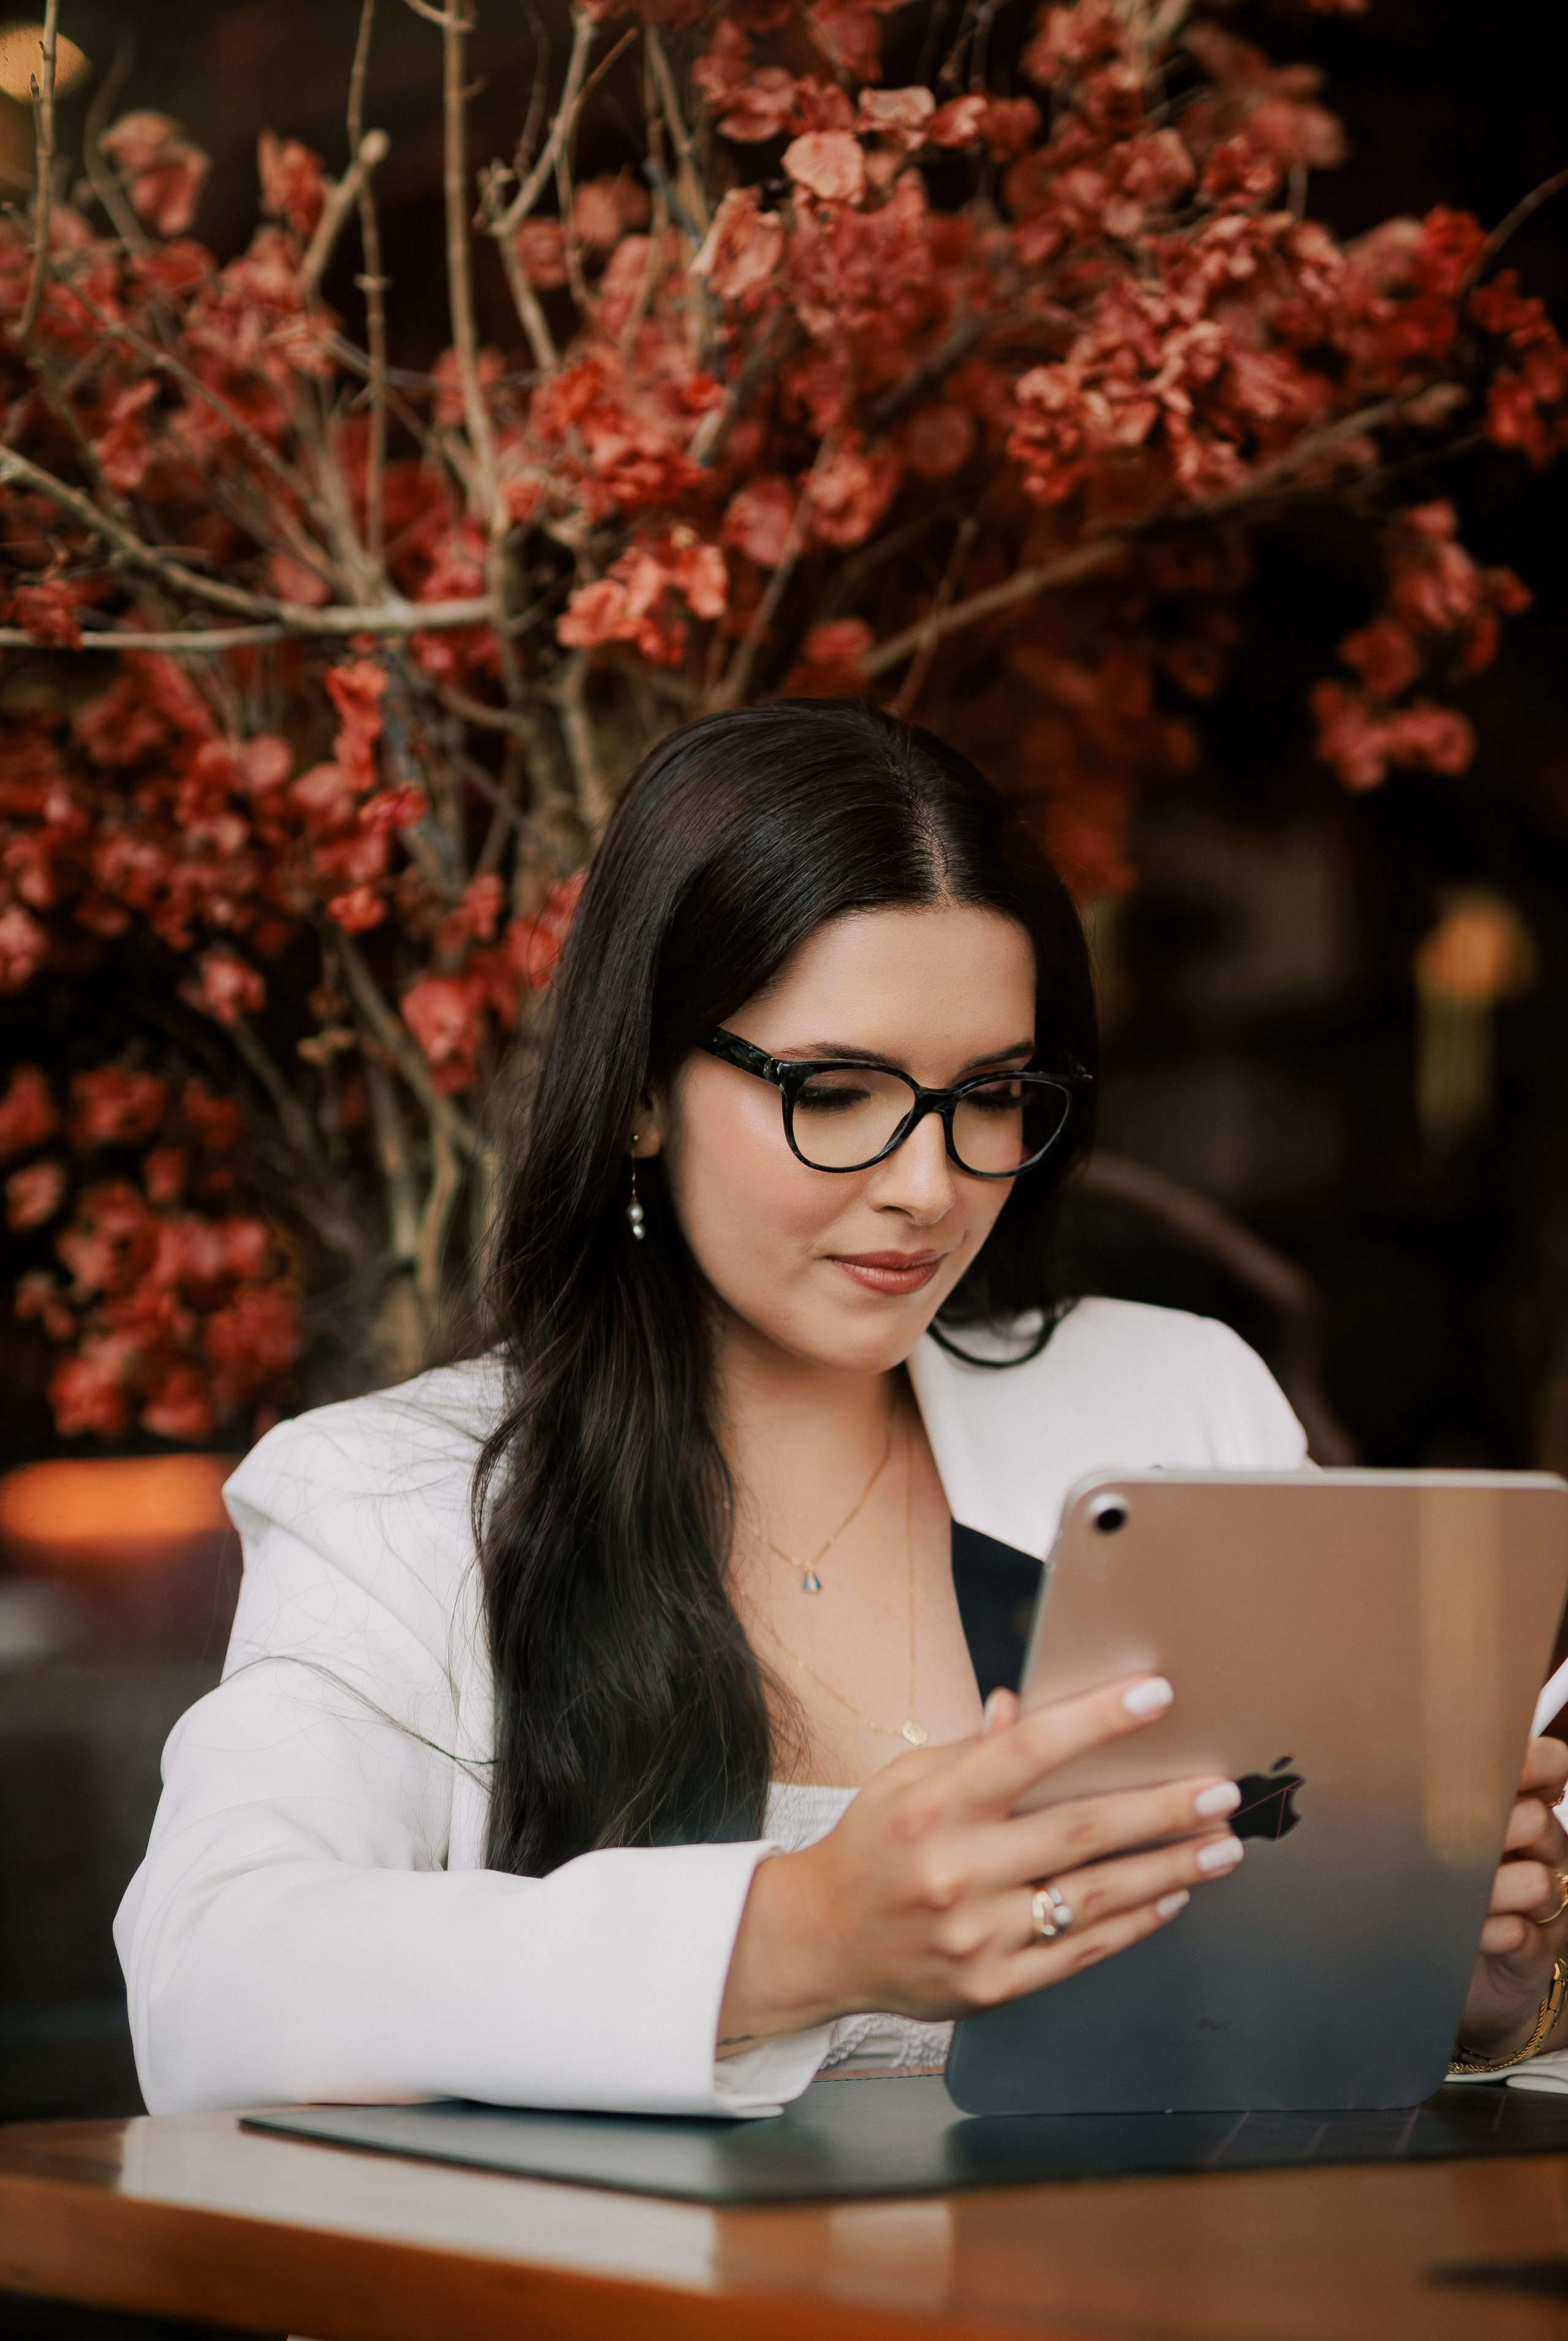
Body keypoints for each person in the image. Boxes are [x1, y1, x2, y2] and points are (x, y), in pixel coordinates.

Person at [115, 701, 1568, 2117]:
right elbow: (208, 1990)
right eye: (835, 1091)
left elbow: (1291, 2021)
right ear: (638, 1090)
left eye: (988, 1094)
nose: (926, 1187)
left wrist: (1457, 1981)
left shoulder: (1170, 1404)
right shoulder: (399, 1496)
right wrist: (801, 1935)